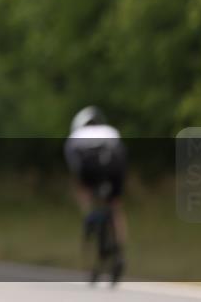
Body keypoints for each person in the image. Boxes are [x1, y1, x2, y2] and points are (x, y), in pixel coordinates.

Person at [64, 106, 127, 280]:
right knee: (115, 205)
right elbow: (121, 154)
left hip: (89, 166)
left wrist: (85, 191)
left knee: (82, 190)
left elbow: (75, 169)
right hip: (115, 164)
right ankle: (119, 251)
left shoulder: (74, 138)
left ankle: (90, 217)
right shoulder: (110, 131)